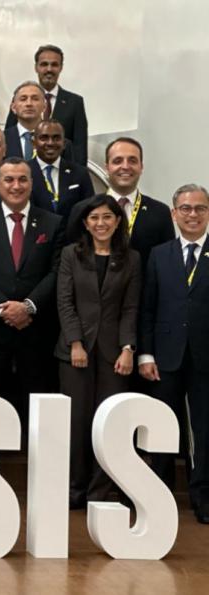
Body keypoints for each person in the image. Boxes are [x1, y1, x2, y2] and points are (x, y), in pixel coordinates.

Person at [0, 158, 64, 447]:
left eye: (22, 179)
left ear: (32, 183)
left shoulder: (53, 223)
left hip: (36, 331)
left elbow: (57, 272)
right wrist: (4, 309)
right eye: (8, 179)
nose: (16, 185)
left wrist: (28, 306)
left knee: (37, 408)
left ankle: (39, 466)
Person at [55, 195, 140, 509]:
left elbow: (131, 308)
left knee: (109, 422)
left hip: (114, 353)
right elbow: (65, 302)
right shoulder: (71, 254)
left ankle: (99, 491)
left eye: (107, 217)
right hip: (75, 351)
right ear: (85, 223)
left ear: (118, 222)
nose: (101, 223)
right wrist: (75, 342)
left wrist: (128, 348)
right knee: (76, 422)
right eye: (94, 218)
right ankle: (75, 489)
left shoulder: (132, 258)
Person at [140, 184, 209, 523]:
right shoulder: (159, 254)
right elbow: (147, 309)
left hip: (205, 358)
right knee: (163, 426)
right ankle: (160, 495)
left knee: (204, 430)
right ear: (174, 213)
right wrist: (146, 354)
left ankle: (203, 496)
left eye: (199, 208)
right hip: (165, 357)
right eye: (186, 208)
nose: (192, 214)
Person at [66, 137, 174, 269]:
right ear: (107, 167)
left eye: (132, 161)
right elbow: (71, 263)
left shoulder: (160, 212)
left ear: (141, 167)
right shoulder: (82, 210)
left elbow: (167, 265)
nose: (125, 166)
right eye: (118, 161)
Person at [4, 44, 88, 165]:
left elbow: (80, 147)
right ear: (36, 67)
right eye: (44, 64)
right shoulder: (20, 100)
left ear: (61, 67)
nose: (49, 69)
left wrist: (79, 174)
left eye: (54, 65)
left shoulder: (75, 102)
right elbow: (10, 136)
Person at [29, 119, 94, 223]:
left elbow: (90, 211)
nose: (50, 143)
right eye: (44, 138)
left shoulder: (80, 173)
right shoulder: (24, 173)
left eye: (56, 138)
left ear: (64, 143)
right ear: (33, 143)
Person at [5, 81, 74, 161]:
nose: (29, 104)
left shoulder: (61, 143)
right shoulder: (1, 140)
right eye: (23, 99)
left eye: (35, 99)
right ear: (13, 107)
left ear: (44, 106)